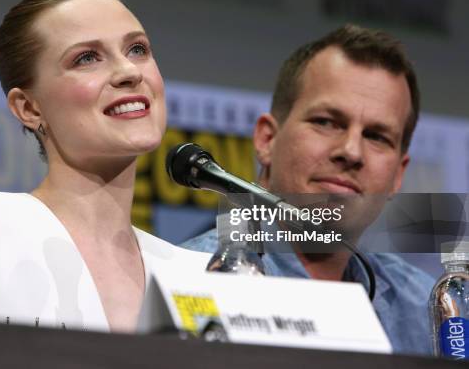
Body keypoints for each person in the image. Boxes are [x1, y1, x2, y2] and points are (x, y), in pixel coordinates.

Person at [0, 0, 209, 332]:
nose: (129, 72)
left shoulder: (197, 275)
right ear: (29, 108)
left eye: (137, 49)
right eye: (86, 58)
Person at [182, 24, 435, 355]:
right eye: (327, 122)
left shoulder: (429, 310)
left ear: (398, 176)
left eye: (376, 136)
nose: (352, 152)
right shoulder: (191, 275)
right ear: (267, 140)